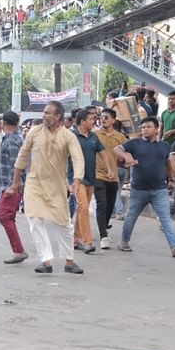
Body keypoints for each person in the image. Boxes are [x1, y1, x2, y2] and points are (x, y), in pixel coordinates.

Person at [6, 101, 86, 274]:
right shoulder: (34, 132)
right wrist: (15, 181)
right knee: (35, 220)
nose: (44, 115)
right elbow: (22, 155)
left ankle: (69, 261)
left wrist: (77, 180)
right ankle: (46, 261)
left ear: (58, 116)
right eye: (44, 112)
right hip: (34, 183)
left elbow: (78, 158)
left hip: (57, 185)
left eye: (48, 113)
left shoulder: (68, 136)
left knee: (63, 223)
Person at [113, 117, 175, 257]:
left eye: (148, 127)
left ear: (157, 128)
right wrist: (126, 156)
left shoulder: (164, 146)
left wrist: (171, 179)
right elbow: (116, 149)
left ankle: (174, 246)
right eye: (143, 127)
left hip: (159, 189)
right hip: (138, 190)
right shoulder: (135, 143)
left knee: (165, 217)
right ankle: (124, 242)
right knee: (131, 216)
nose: (145, 129)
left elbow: (167, 164)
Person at [71, 109, 113, 254]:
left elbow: (103, 153)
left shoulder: (94, 137)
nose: (93, 122)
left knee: (81, 208)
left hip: (90, 178)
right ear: (82, 121)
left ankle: (74, 240)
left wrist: (109, 168)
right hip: (76, 179)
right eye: (90, 119)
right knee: (83, 208)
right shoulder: (71, 136)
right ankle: (87, 242)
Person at [0, 111, 27, 264]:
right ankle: (18, 250)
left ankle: (19, 251)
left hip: (11, 185)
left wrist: (14, 185)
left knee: (4, 217)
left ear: (4, 123)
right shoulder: (10, 139)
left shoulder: (12, 141)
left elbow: (18, 165)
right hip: (8, 184)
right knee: (7, 217)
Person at [94, 108, 125, 249]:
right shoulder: (94, 135)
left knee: (109, 206)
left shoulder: (120, 137)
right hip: (97, 174)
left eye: (106, 117)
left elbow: (126, 152)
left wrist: (124, 158)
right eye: (102, 117)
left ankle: (104, 228)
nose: (103, 119)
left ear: (113, 120)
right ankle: (103, 236)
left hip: (113, 176)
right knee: (101, 203)